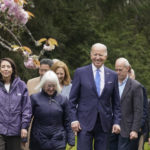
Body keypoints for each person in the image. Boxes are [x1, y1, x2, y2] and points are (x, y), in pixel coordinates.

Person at [69, 43, 121, 150]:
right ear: (90, 55)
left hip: (104, 124)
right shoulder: (80, 72)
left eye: (101, 55)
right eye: (95, 54)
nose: (97, 57)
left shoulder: (113, 75)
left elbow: (116, 103)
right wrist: (74, 120)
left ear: (106, 56)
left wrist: (116, 122)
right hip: (83, 123)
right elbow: (72, 101)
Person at [29, 70, 75, 150]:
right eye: (48, 86)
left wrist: (71, 140)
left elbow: (68, 120)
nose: (51, 89)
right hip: (38, 140)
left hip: (58, 140)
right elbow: (27, 118)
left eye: (53, 86)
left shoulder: (63, 100)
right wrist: (23, 134)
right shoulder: (34, 98)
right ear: (43, 85)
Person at [109, 58, 143, 150]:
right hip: (111, 128)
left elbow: (138, 110)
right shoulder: (111, 84)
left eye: (120, 70)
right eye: (116, 69)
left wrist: (135, 130)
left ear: (127, 69)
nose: (117, 72)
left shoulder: (136, 86)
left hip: (127, 130)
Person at [0, 57, 32, 150]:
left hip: (15, 130)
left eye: (8, 67)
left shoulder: (21, 85)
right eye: (3, 67)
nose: (6, 69)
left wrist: (24, 127)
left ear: (13, 69)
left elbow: (26, 108)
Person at [129, 68, 148, 150]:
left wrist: (139, 125)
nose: (129, 77)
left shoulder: (140, 88)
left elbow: (144, 109)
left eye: (131, 75)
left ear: (134, 76)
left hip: (139, 128)